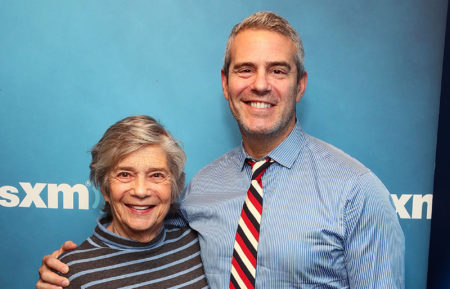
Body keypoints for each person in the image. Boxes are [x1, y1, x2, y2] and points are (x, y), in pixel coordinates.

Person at [37, 11, 404, 289]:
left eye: (278, 71)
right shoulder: (203, 185)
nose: (260, 85)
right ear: (225, 84)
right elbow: (139, 226)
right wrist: (71, 267)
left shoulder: (356, 190)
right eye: (245, 69)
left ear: (300, 84)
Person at [44, 115, 208, 289]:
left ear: (174, 187)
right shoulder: (70, 274)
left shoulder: (200, 244)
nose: (140, 191)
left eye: (156, 175)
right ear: (105, 189)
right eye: (124, 174)